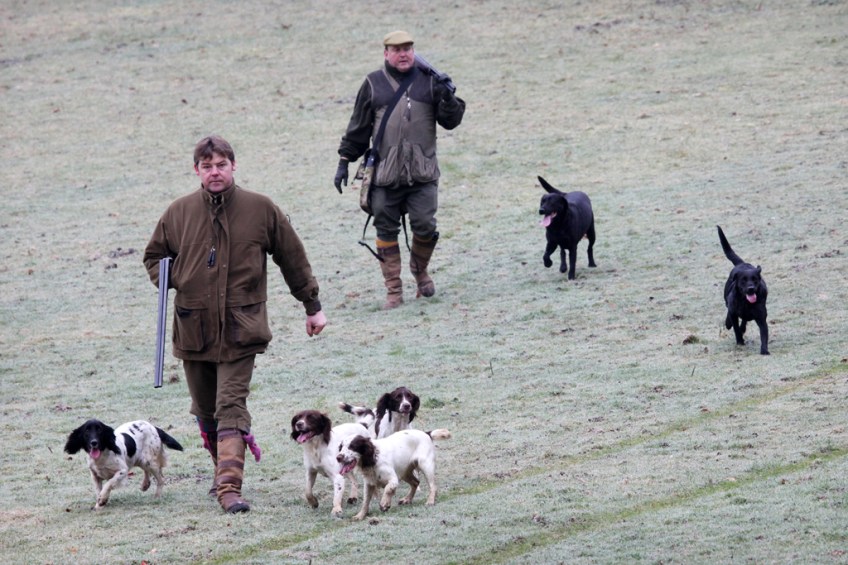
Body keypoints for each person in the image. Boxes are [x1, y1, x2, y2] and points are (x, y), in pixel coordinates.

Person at [143, 135, 326, 513]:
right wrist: (177, 277)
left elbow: (292, 257)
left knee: (230, 406)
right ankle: (220, 473)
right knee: (205, 410)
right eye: (207, 166)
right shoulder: (178, 212)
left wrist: (312, 305)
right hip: (193, 329)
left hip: (242, 330)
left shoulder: (261, 209)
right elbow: (154, 257)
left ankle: (229, 489)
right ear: (196, 170)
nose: (215, 172)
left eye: (221, 165)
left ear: (233, 166)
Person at [334, 30, 465, 309]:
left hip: (422, 173)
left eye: (407, 48)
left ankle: (420, 272)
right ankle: (393, 290)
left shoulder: (431, 81)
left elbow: (451, 121)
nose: (403, 54)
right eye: (397, 49)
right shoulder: (373, 83)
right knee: (385, 229)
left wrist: (449, 99)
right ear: (386, 53)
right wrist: (344, 162)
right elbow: (358, 128)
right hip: (385, 175)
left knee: (426, 226)